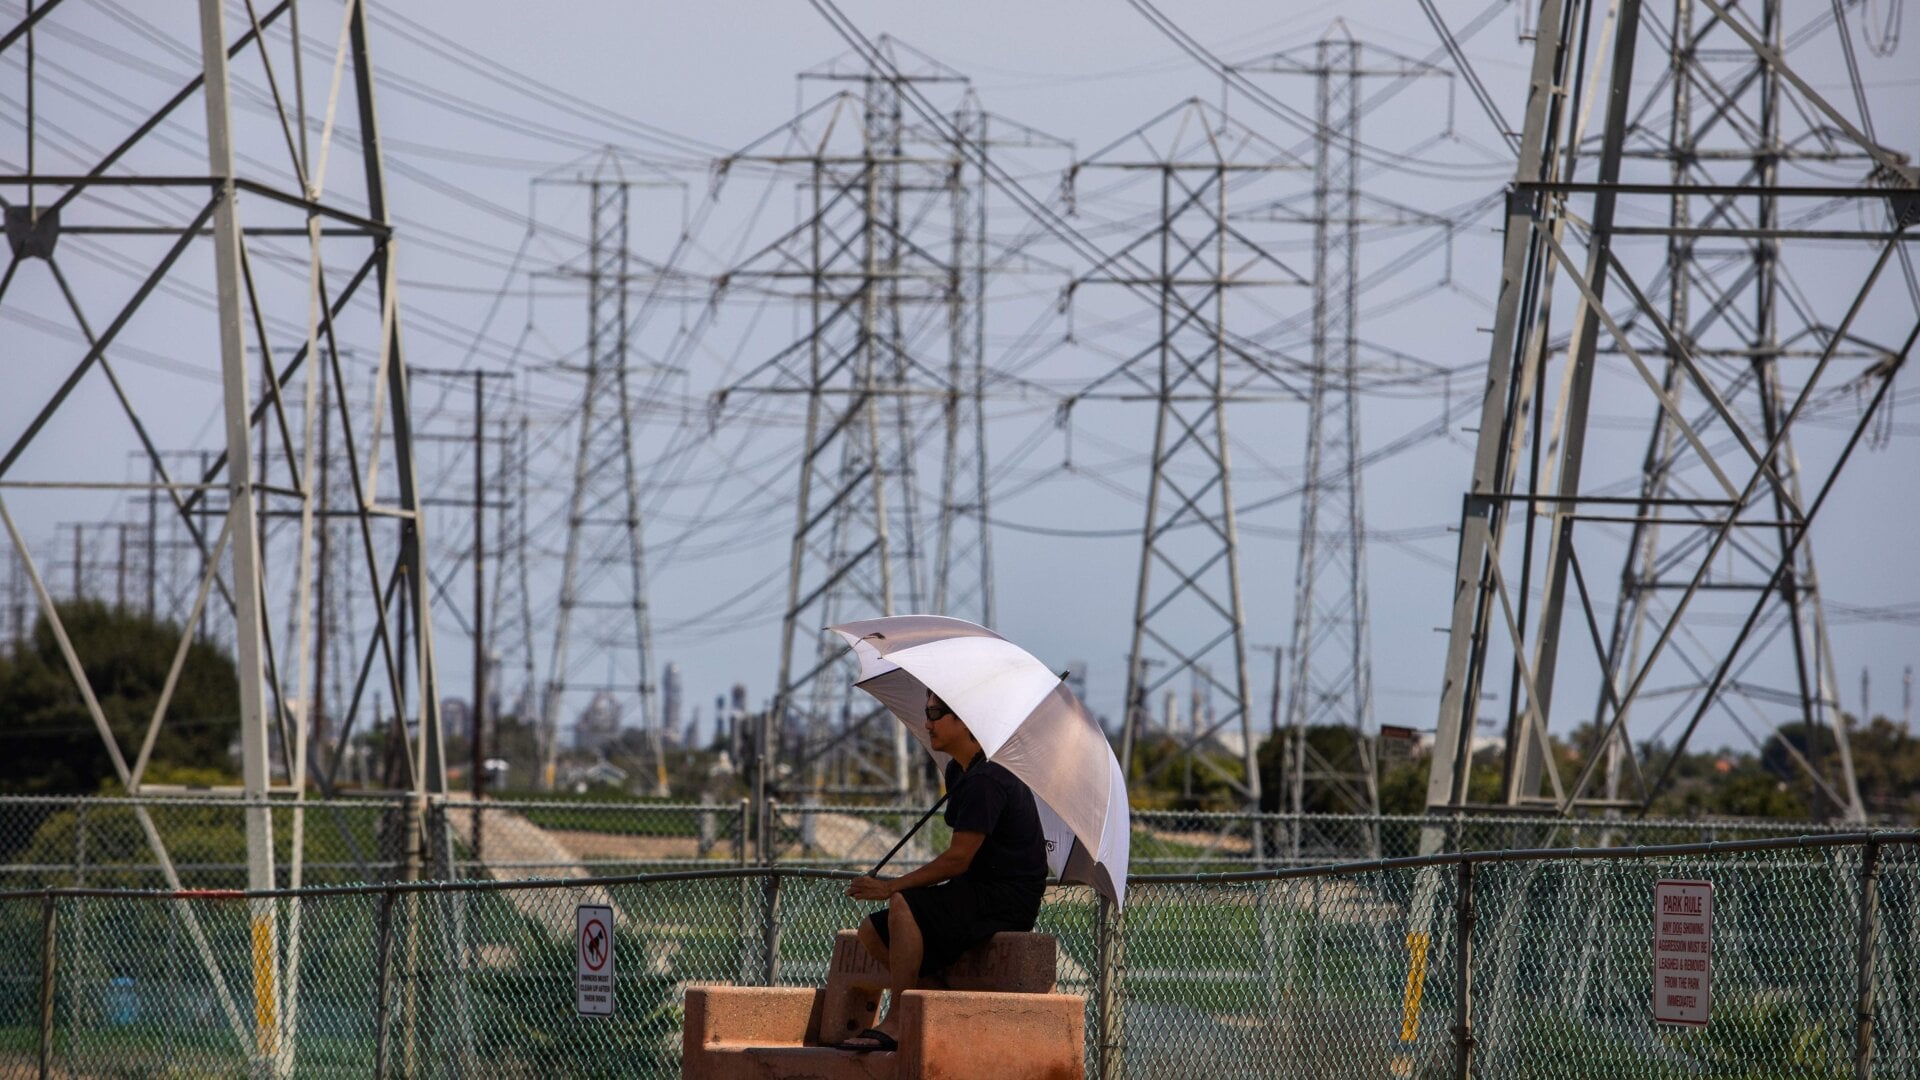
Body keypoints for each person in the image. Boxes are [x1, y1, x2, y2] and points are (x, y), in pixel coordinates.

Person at [840, 690, 1049, 1051]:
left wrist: (891, 887)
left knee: (905, 903)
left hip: (1007, 897)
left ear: (965, 719)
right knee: (871, 931)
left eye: (936, 714)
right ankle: (932, 1001)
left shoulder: (988, 779)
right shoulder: (960, 771)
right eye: (927, 712)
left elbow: (957, 859)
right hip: (975, 889)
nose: (927, 723)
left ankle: (901, 1021)